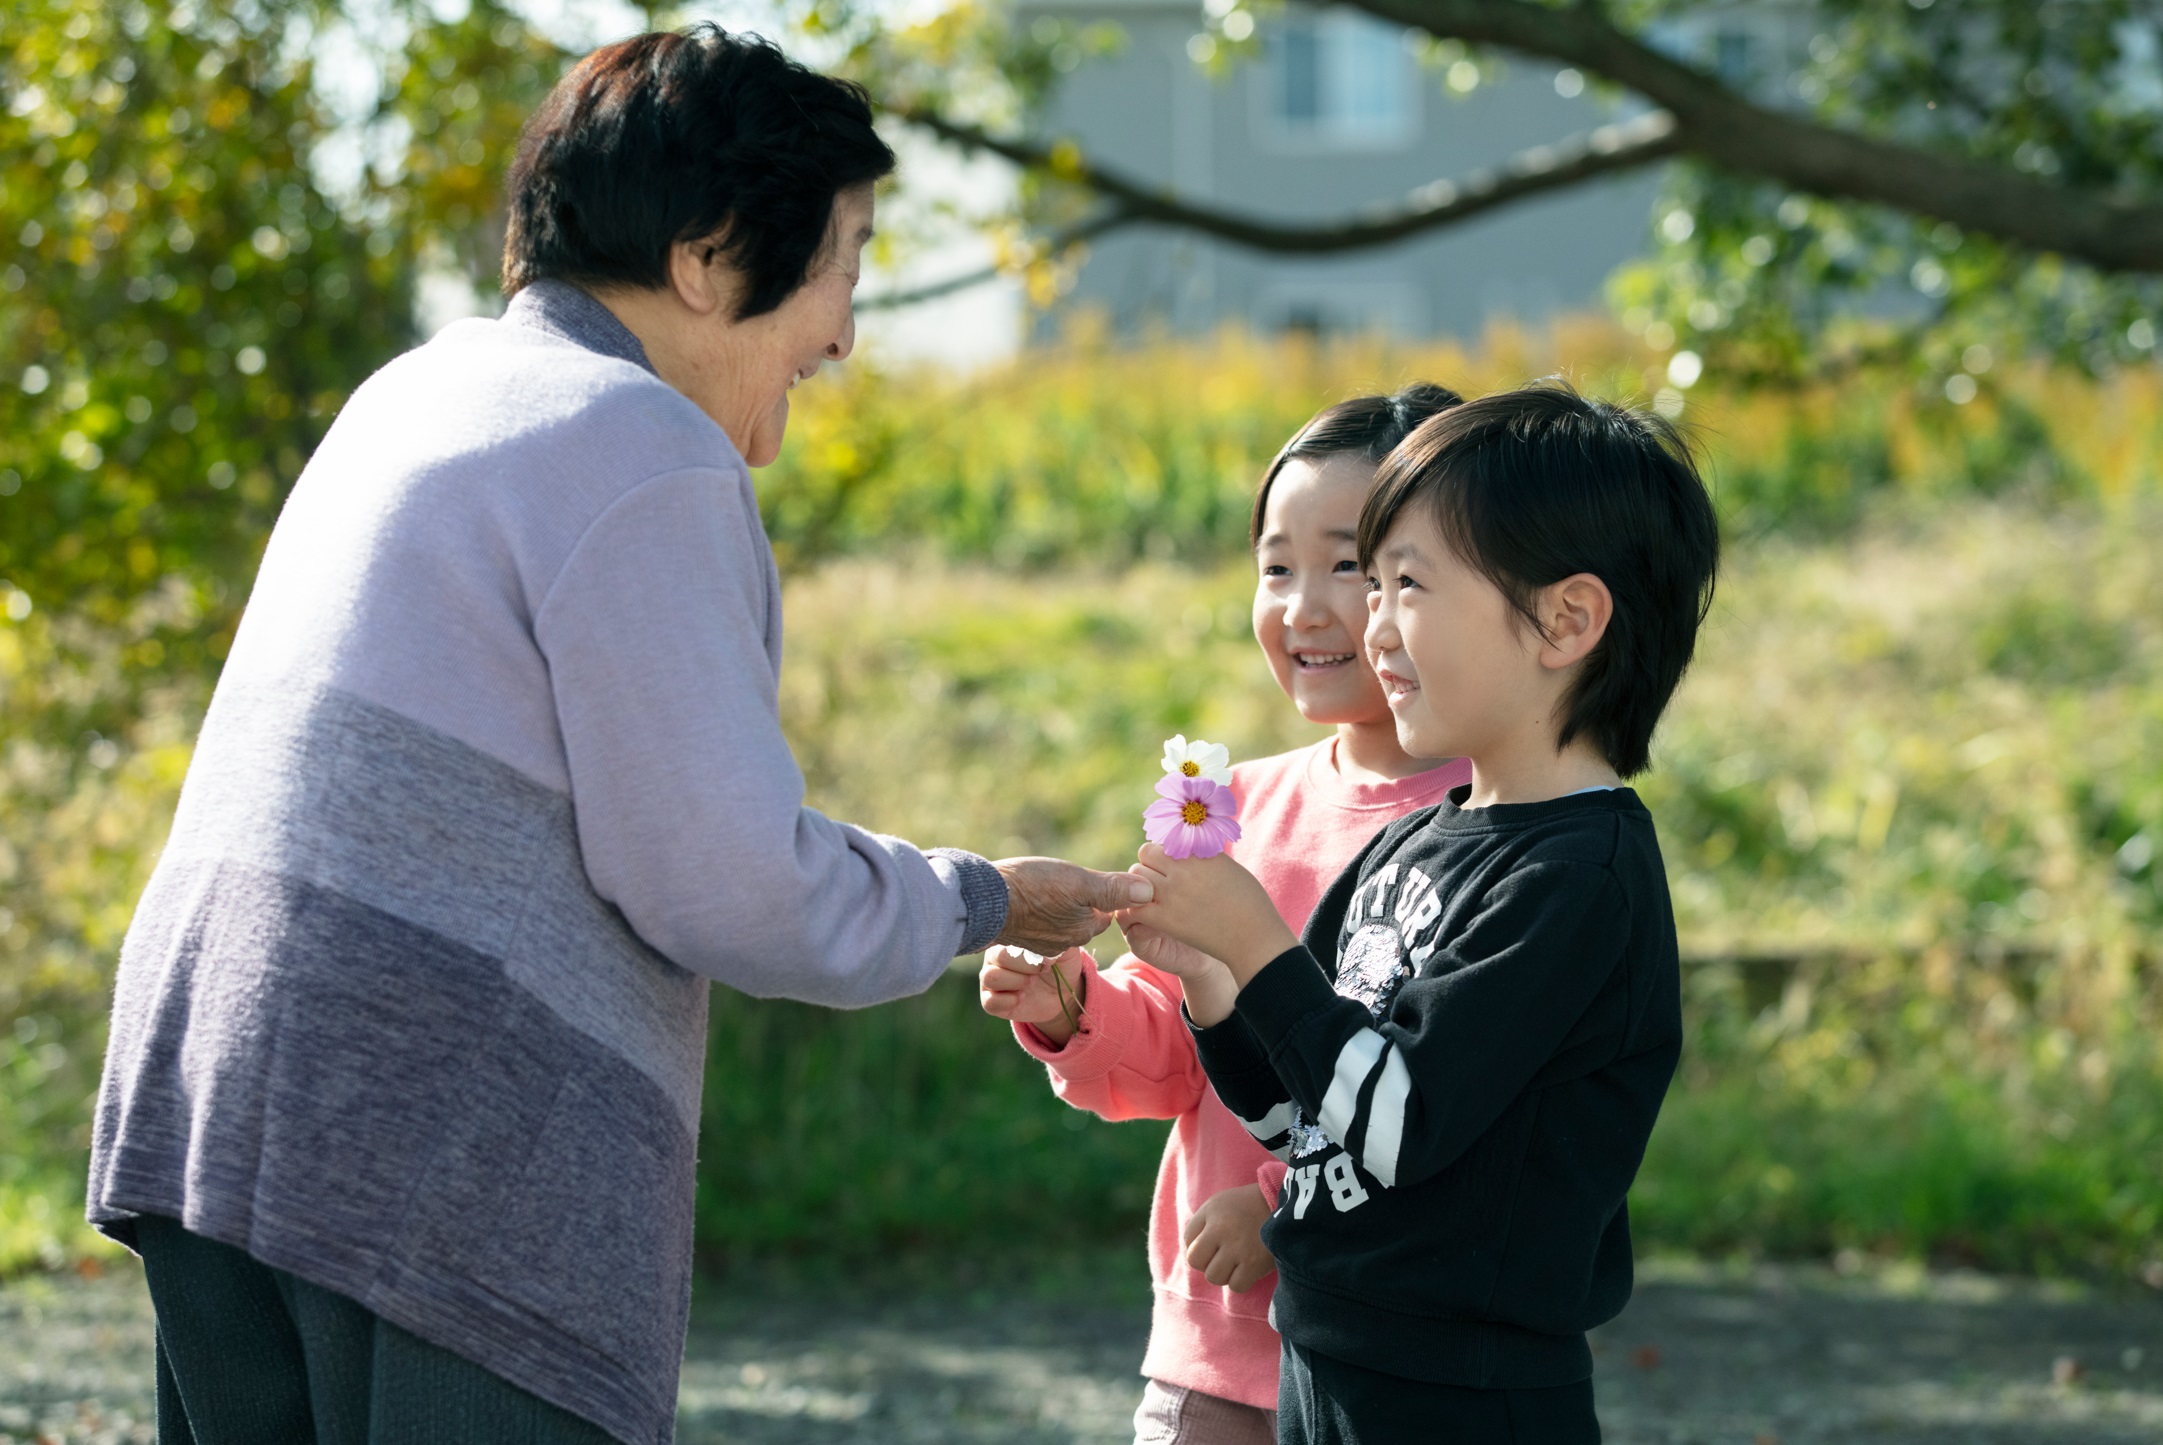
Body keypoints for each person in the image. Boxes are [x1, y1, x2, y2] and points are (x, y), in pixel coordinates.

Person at [85, 27, 1146, 1445]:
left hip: (216, 1104)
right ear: (710, 256)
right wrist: (984, 897)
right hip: (432, 1150)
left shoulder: (415, 394)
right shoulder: (636, 444)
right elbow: (725, 882)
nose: (842, 327)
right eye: (842, 259)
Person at [1116, 383, 1721, 1445]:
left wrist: (1258, 939)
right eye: (1376, 581)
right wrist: (1212, 977)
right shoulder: (1421, 836)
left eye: (1406, 583)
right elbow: (1315, 1113)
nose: (1374, 623)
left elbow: (1394, 1123)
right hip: (1328, 1369)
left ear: (1566, 618)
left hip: (1464, 1397)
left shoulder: (1578, 876)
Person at [979, 384, 1469, 1445]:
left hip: (1386, 1366)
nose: (1302, 606)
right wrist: (1075, 1008)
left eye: (1346, 561)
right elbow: (1176, 1059)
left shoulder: (1493, 825)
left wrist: (1288, 1204)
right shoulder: (1230, 803)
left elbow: (1453, 1097)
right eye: (1275, 565)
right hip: (1212, 1361)